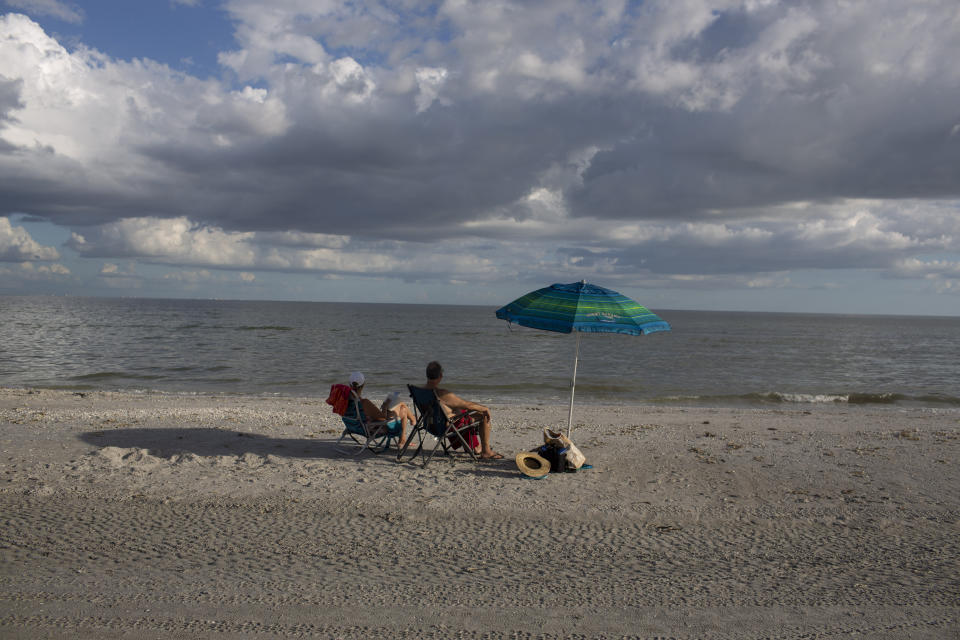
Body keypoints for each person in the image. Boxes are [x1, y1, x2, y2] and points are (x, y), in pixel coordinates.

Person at [423, 361, 502, 460]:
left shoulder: (421, 391)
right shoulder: (442, 393)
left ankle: (472, 446)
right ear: (440, 375)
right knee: (483, 415)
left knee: (460, 412)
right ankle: (486, 451)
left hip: (431, 426)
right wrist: (484, 408)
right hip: (447, 427)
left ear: (427, 375)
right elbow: (467, 405)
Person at [348, 371, 415, 449]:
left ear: (349, 384)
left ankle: (410, 425)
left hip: (356, 427)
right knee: (401, 406)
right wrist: (385, 406)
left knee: (400, 405)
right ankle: (411, 423)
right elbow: (383, 418)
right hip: (377, 429)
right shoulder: (365, 403)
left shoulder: (346, 401)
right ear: (363, 384)